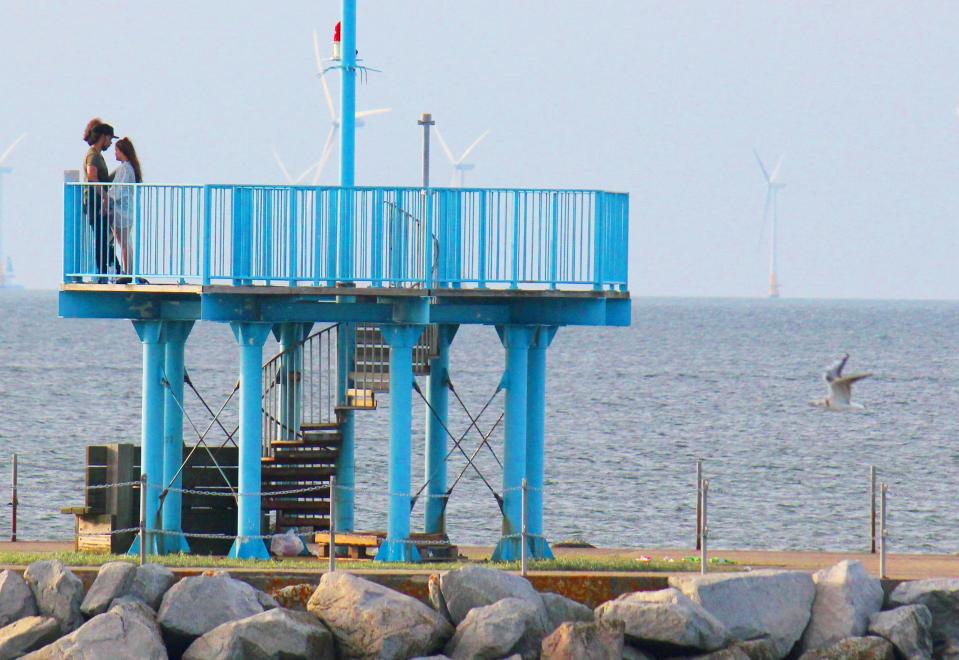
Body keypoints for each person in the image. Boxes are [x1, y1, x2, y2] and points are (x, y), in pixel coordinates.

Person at [83, 122, 118, 282]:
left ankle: (115, 270)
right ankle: (104, 273)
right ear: (103, 137)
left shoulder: (98, 155)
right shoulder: (93, 155)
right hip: (95, 204)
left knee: (106, 238)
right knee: (102, 238)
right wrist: (104, 197)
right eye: (110, 139)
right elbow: (92, 177)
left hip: (99, 203)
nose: (111, 143)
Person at [109, 138, 143, 284]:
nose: (115, 153)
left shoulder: (125, 169)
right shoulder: (131, 168)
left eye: (116, 150)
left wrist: (106, 198)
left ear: (123, 151)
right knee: (125, 242)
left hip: (121, 211)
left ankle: (127, 271)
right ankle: (128, 270)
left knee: (123, 242)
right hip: (127, 211)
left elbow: (117, 190)